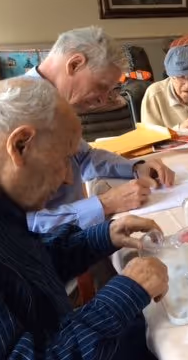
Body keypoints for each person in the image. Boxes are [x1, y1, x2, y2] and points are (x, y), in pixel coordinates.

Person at [0, 78, 169, 360]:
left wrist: (99, 237)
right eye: (63, 159)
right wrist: (126, 292)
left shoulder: (3, 208)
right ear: (20, 145)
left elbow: (27, 273)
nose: (67, 179)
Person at [24, 26, 175, 233]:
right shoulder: (15, 113)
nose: (104, 100)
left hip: (74, 244)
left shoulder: (56, 101)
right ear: (75, 64)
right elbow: (19, 227)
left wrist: (134, 168)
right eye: (101, 86)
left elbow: (84, 158)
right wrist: (105, 204)